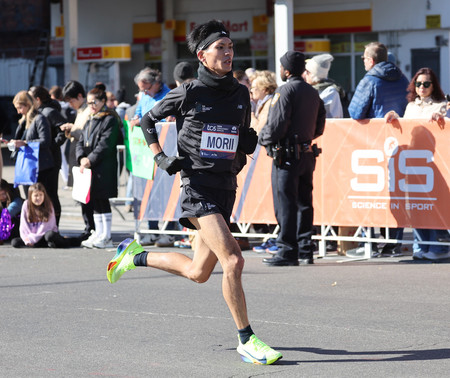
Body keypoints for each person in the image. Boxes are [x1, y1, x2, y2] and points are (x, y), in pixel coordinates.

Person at [106, 19, 282, 365]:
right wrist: (159, 156)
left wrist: (246, 143)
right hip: (196, 186)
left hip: (224, 187)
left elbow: (240, 135)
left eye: (231, 47)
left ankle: (134, 256)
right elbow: (146, 120)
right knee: (233, 259)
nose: (228, 53)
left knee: (198, 273)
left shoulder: (240, 93)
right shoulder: (189, 91)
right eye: (221, 48)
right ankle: (246, 339)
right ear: (202, 55)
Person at [258, 51, 326, 266]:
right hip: (306, 154)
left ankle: (287, 251)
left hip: (286, 156)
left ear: (286, 70)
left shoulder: (285, 91)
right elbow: (320, 125)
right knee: (304, 203)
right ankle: (305, 250)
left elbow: (277, 125)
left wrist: (262, 138)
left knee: (285, 204)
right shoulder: (312, 92)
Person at [348, 42, 409, 256]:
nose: (363, 61)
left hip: (372, 145)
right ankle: (394, 241)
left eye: (364, 58)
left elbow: (355, 111)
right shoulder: (403, 78)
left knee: (371, 193)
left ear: (371, 60)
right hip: (400, 143)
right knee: (398, 192)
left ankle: (369, 243)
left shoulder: (370, 80)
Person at [385, 67, 450, 261]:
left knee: (433, 204)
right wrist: (395, 117)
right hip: (412, 162)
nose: (422, 87)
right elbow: (406, 128)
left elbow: (445, 127)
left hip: (434, 163)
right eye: (418, 83)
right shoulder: (411, 106)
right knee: (416, 204)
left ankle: (440, 246)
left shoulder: (442, 104)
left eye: (426, 84)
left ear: (433, 86)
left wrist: (442, 119)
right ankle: (421, 246)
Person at [78, 87, 120, 249]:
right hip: (89, 166)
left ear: (103, 101)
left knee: (103, 199)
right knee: (94, 200)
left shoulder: (109, 119)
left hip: (103, 166)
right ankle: (98, 232)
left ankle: (106, 235)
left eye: (94, 102)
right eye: (89, 103)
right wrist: (81, 157)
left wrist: (89, 159)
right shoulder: (90, 119)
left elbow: (105, 144)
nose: (91, 105)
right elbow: (81, 141)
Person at [248, 70, 279, 254]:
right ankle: (270, 236)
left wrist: (250, 115)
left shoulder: (269, 103)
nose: (251, 91)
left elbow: (260, 129)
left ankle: (275, 236)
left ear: (264, 89)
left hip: (268, 155)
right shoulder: (263, 103)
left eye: (254, 88)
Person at [61, 80, 94, 240]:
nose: (71, 104)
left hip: (85, 158)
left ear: (80, 96)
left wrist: (72, 129)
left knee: (87, 197)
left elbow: (87, 135)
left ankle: (91, 227)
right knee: (82, 196)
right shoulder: (81, 111)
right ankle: (88, 226)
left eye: (71, 100)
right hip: (77, 156)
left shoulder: (88, 111)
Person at [29, 86, 67, 225]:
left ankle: (55, 225)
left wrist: (51, 146)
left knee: (51, 193)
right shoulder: (37, 112)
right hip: (41, 160)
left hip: (51, 159)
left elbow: (63, 131)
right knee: (42, 193)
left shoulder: (49, 112)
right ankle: (44, 224)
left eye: (30, 98)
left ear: (37, 99)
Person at [11, 91, 55, 197]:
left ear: (28, 105)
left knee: (39, 199)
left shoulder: (40, 118)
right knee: (30, 199)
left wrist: (25, 143)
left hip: (40, 167)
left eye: (20, 108)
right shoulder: (24, 121)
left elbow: (45, 141)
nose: (18, 112)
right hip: (28, 166)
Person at [11, 183, 80, 248]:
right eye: (36, 195)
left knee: (50, 235)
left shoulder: (48, 204)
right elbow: (23, 225)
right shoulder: (26, 204)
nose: (38, 198)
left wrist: (34, 239)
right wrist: (27, 239)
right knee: (15, 242)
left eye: (41, 195)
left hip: (44, 234)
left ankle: (68, 241)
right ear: (30, 196)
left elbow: (47, 226)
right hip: (31, 236)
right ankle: (45, 244)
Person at [303, 53, 344, 118]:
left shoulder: (330, 91)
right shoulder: (310, 89)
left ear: (314, 75)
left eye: (307, 71)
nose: (305, 74)